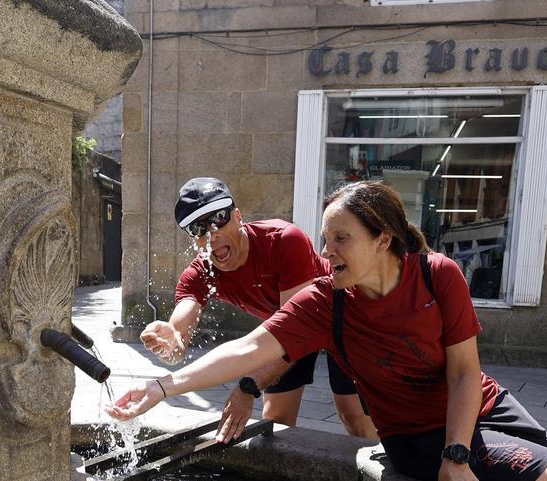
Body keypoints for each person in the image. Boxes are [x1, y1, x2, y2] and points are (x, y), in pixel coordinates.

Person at [114, 180, 547, 481]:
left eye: (340, 239)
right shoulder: (325, 300)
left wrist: (458, 458)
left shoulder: (439, 275)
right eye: (326, 239)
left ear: (383, 239)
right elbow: (252, 349)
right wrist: (164, 386)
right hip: (418, 435)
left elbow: (464, 373)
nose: (326, 252)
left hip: (484, 406)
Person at [140, 177, 377, 442]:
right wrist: (171, 338)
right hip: (287, 328)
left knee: (354, 418)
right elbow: (180, 328)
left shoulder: (284, 240)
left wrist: (248, 385)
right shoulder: (199, 274)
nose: (212, 233)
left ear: (238, 217)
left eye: (219, 218)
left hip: (342, 319)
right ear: (192, 240)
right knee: (275, 422)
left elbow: (295, 331)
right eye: (198, 228)